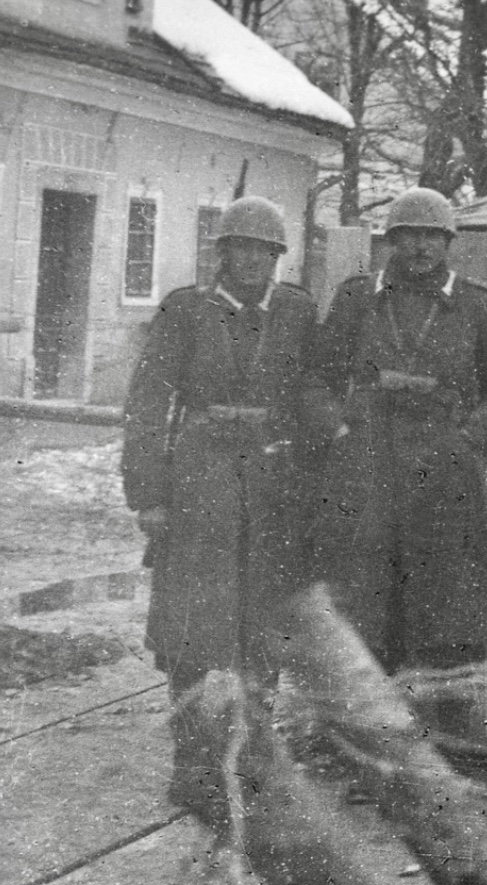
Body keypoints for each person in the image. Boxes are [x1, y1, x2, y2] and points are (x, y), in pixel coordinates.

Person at [122, 196, 325, 813]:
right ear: (223, 253)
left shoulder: (296, 313)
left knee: (262, 631)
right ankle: (192, 765)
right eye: (242, 249)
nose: (254, 262)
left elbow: (311, 393)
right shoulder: (186, 311)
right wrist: (148, 493)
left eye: (266, 252)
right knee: (189, 631)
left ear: (279, 259)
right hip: (199, 487)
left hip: (270, 488)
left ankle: (257, 761)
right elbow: (148, 405)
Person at [306, 186, 487, 673]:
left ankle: (441, 728)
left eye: (432, 236)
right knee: (364, 607)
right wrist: (339, 432)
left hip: (442, 477)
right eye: (409, 236)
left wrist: (466, 443)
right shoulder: (359, 298)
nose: (421, 247)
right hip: (368, 472)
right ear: (391, 241)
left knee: (442, 613)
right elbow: (318, 379)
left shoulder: (474, 305)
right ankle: (361, 734)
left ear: (448, 243)